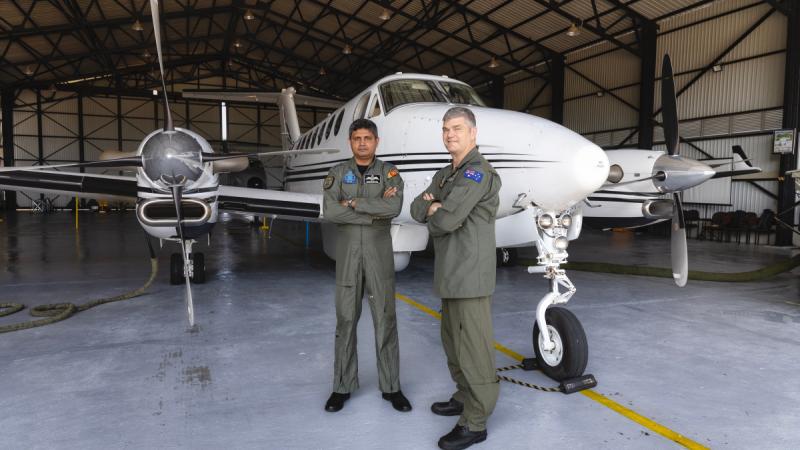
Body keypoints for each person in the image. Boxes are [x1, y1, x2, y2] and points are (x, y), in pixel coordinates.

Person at [410, 107, 501, 450]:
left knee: (474, 348)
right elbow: (416, 209)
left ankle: (476, 421)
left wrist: (437, 207)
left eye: (458, 128)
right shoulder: (447, 173)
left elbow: (445, 221)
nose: (450, 134)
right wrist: (434, 206)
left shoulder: (478, 173)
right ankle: (464, 396)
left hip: (470, 273)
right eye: (446, 129)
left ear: (473, 133)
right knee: (452, 342)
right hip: (450, 271)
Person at [321, 118, 411, 413]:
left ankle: (391, 387)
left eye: (367, 138)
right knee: (346, 318)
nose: (362, 143)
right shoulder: (337, 173)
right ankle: (342, 386)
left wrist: (354, 203)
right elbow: (332, 211)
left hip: (379, 252)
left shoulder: (390, 174)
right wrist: (373, 211)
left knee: (385, 318)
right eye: (357, 138)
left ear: (376, 142)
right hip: (348, 252)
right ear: (350, 142)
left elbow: (394, 208)